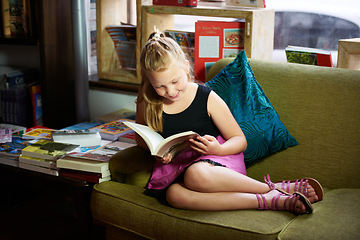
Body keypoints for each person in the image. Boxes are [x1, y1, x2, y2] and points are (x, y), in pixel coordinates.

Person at [135, 30, 323, 215]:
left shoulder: (205, 96)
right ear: (150, 83)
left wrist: (217, 149)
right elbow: (142, 139)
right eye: (160, 86)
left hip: (219, 162)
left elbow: (240, 140)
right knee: (173, 195)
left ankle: (271, 187)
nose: (170, 91)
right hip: (178, 167)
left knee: (196, 174)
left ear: (186, 67)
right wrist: (159, 154)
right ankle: (271, 200)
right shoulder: (148, 101)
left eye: (175, 81)